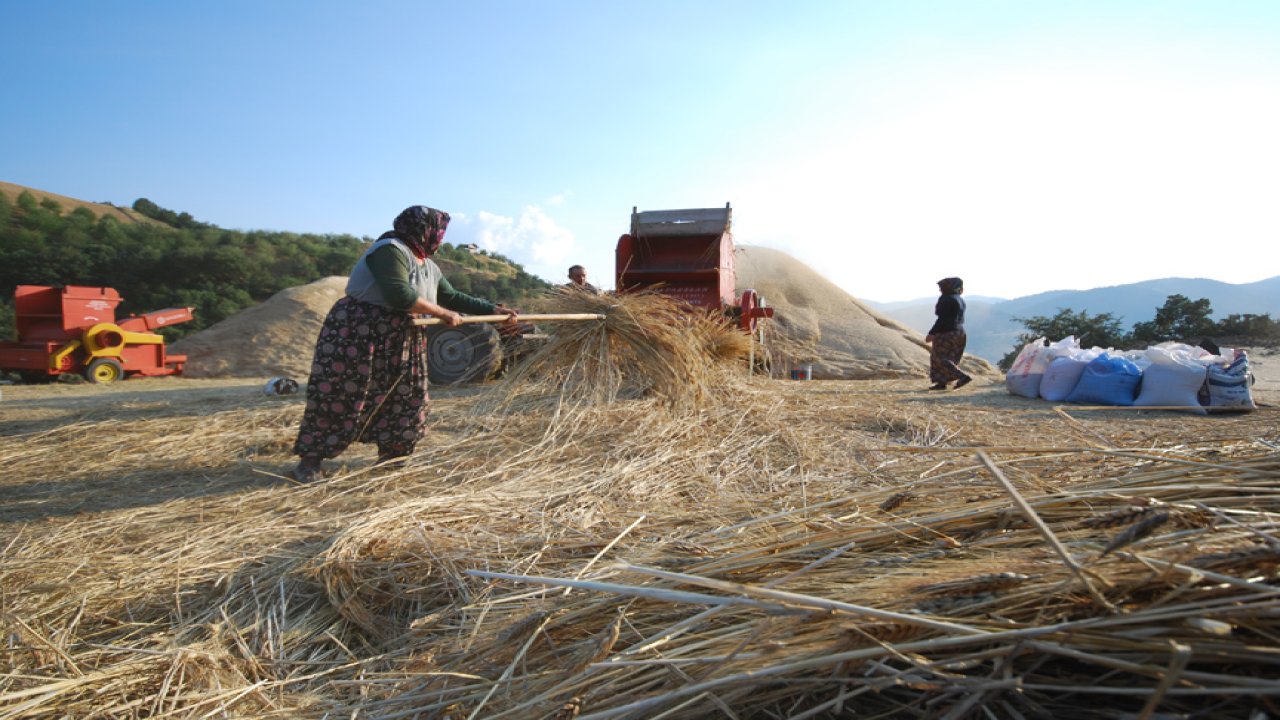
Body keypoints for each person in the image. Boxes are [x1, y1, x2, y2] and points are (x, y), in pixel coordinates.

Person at [291, 205, 517, 482]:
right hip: (359, 333)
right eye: (438, 231)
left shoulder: (428, 265)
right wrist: (442, 314)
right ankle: (310, 462)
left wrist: (494, 310)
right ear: (424, 230)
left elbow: (452, 296)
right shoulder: (390, 249)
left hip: (403, 336)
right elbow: (399, 294)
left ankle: (391, 458)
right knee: (343, 392)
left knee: (404, 395)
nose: (441, 238)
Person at [924, 277, 973, 391]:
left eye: (941, 288)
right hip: (959, 332)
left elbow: (943, 318)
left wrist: (932, 333)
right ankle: (942, 383)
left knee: (939, 358)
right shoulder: (960, 299)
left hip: (946, 332)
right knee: (952, 357)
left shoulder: (946, 299)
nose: (940, 290)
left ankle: (962, 377)